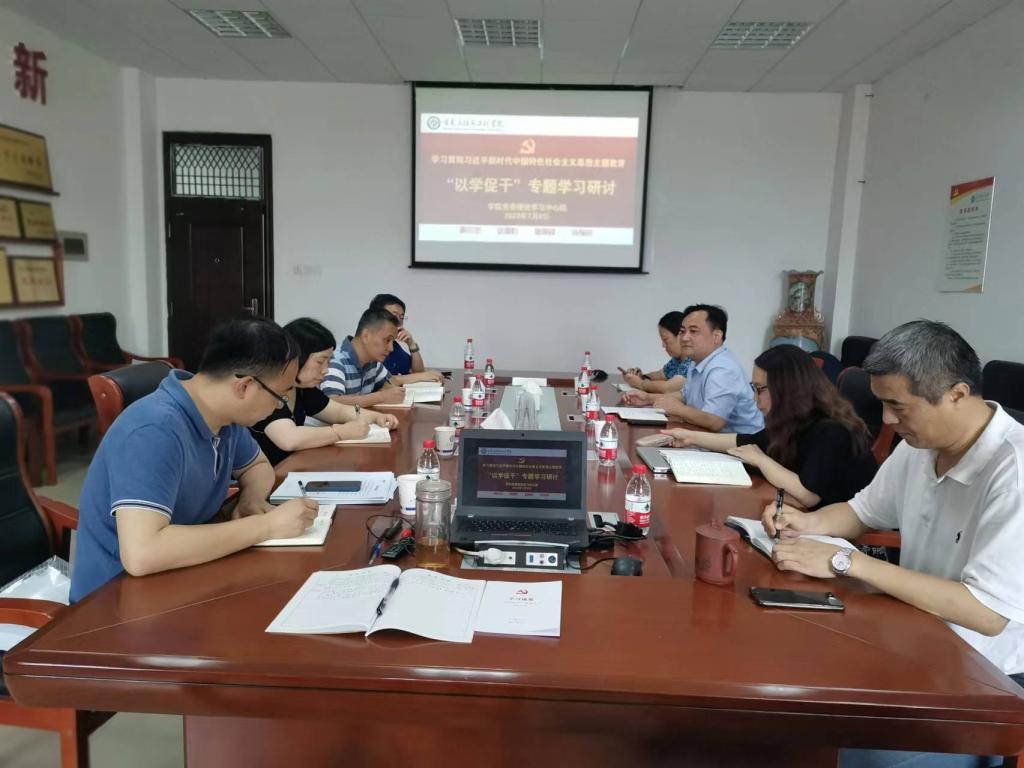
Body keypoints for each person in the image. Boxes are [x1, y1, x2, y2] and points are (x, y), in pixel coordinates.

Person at [761, 321, 1024, 768]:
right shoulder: (919, 446)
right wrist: (805, 522)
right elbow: (862, 512)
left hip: (988, 679)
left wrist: (848, 562)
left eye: (897, 406)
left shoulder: (1014, 470)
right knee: (787, 691)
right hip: (915, 638)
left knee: (834, 745)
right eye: (882, 403)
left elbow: (987, 613)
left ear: (957, 394)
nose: (886, 421)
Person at [70, 318, 319, 603]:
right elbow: (143, 554)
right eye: (280, 396)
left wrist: (251, 498)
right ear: (244, 386)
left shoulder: (223, 415)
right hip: (116, 601)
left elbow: (258, 466)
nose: (278, 406)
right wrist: (266, 526)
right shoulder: (154, 430)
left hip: (186, 573)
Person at [661, 345, 876, 509]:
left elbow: (808, 494)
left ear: (786, 388)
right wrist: (689, 437)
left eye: (760, 389)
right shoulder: (795, 420)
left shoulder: (831, 429)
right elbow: (746, 441)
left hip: (849, 542)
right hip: (806, 521)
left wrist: (761, 460)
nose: (755, 399)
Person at [249, 318, 399, 466]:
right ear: (296, 358)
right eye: (320, 362)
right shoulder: (268, 389)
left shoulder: (302, 389)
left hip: (294, 466)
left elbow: (338, 411)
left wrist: (377, 417)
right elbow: (289, 439)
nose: (325, 370)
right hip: (272, 472)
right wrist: (340, 432)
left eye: (328, 362)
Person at [623, 304, 763, 433]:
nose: (684, 338)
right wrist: (648, 399)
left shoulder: (722, 369)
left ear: (716, 336)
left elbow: (714, 421)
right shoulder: (697, 361)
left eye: (693, 331)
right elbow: (684, 396)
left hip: (741, 446)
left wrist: (680, 410)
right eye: (683, 331)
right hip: (709, 438)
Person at [321, 307, 406, 407]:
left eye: (393, 341)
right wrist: (381, 397)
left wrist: (386, 389)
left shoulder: (372, 361)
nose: (391, 348)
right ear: (366, 336)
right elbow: (332, 402)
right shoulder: (335, 360)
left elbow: (391, 381)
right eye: (387, 340)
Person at [368, 293, 443, 385]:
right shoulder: (369, 345)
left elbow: (417, 373)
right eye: (394, 315)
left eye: (402, 317)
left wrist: (411, 344)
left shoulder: (394, 346)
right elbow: (380, 380)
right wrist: (421, 376)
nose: (399, 321)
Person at [619, 311, 693, 394]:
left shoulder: (692, 361)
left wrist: (640, 383)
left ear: (680, 335)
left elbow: (668, 388)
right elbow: (660, 375)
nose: (663, 345)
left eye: (665, 340)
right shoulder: (677, 360)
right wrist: (640, 376)